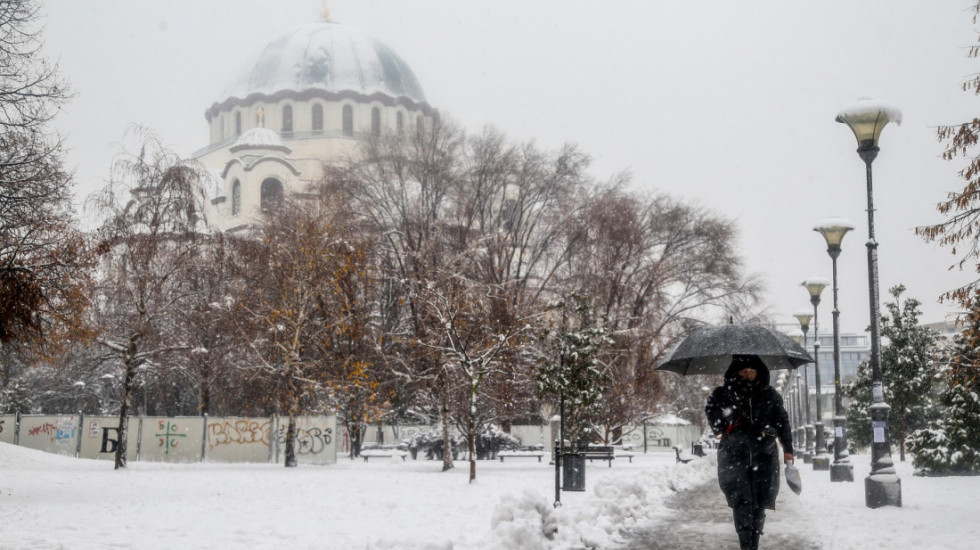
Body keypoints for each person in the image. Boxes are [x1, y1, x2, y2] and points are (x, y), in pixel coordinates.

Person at [705, 354, 794, 550]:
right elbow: (712, 415)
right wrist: (728, 418)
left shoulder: (769, 394)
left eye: (752, 370)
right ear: (735, 373)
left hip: (764, 454)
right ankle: (746, 545)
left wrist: (787, 447)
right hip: (733, 455)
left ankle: (754, 543)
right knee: (742, 500)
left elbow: (782, 421)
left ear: (759, 372)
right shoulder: (722, 394)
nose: (748, 374)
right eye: (743, 371)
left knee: (759, 502)